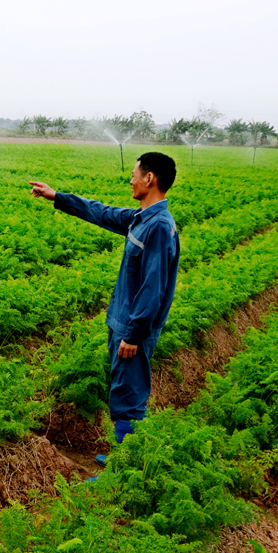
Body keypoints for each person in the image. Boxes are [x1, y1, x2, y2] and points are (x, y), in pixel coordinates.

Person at [29, 152, 179, 465]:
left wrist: (134, 335)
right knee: (124, 389)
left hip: (132, 329)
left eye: (134, 174)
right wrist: (58, 197)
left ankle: (126, 468)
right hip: (124, 322)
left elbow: (153, 289)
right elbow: (102, 212)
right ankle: (123, 458)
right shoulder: (142, 218)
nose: (131, 179)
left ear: (149, 179)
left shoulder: (159, 228)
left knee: (129, 396)